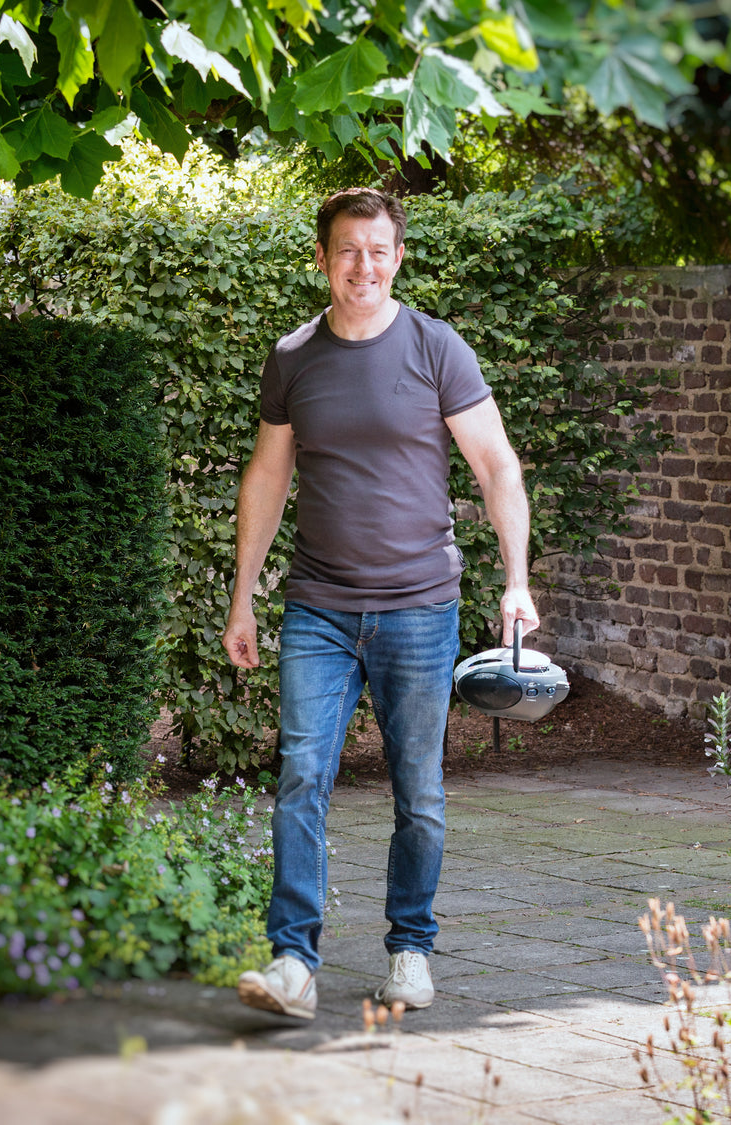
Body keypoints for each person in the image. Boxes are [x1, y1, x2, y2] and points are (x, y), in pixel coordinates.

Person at [222, 187, 539, 1020]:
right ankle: (294, 962)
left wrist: (516, 579)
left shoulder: (437, 349)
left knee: (419, 793)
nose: (362, 265)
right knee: (301, 776)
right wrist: (242, 598)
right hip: (319, 607)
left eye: (377, 249)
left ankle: (410, 950)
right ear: (322, 259)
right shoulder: (293, 357)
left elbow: (496, 465)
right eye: (347, 249)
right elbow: (268, 477)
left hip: (419, 609)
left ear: (398, 257)